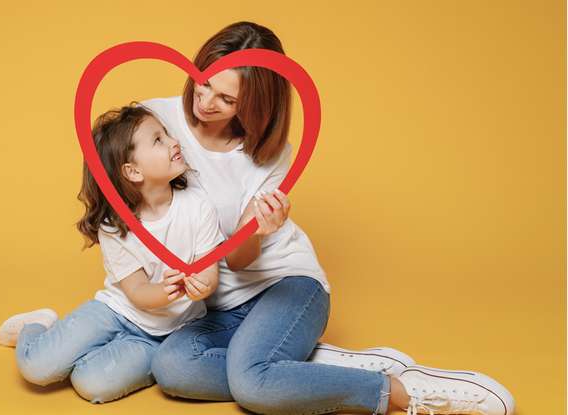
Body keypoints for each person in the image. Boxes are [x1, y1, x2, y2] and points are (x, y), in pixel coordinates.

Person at [144, 21, 515, 415]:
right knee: (172, 367)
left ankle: (402, 392)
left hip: (285, 286)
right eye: (204, 83)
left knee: (253, 385)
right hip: (218, 302)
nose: (205, 101)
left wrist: (252, 230)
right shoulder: (155, 122)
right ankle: (303, 369)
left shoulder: (268, 155)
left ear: (252, 106)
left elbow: (237, 260)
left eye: (226, 99)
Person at [0, 104, 224, 404]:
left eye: (167, 134)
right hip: (116, 312)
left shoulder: (198, 205)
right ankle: (39, 326)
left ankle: (92, 349)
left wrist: (203, 286)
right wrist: (168, 291)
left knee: (91, 384)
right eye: (158, 140)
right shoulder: (114, 224)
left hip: (163, 336)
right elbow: (138, 291)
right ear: (133, 171)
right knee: (37, 367)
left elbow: (209, 271)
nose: (173, 142)